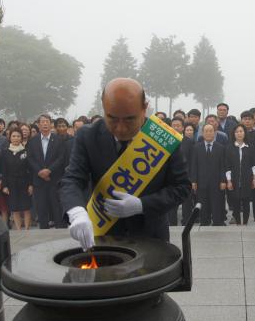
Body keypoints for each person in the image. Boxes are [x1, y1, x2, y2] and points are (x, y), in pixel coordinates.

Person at [59, 78, 190, 249]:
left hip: (151, 238)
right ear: (103, 107)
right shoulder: (88, 136)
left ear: (144, 108)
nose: (120, 128)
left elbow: (182, 188)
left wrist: (142, 205)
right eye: (112, 118)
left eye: (129, 119)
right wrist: (76, 212)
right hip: (104, 238)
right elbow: (72, 179)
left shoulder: (164, 139)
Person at [27, 114, 66, 229]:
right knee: (41, 207)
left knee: (56, 206)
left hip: (54, 178)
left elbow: (61, 158)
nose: (44, 123)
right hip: (38, 180)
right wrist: (40, 171)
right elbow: (30, 158)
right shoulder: (32, 141)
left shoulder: (58, 139)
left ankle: (60, 227)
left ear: (51, 124)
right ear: (38, 125)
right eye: (42, 122)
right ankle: (43, 229)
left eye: (47, 121)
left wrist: (49, 170)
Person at [191, 124, 226, 226]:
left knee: (216, 204)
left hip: (217, 182)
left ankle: (217, 222)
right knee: (203, 204)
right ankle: (204, 223)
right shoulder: (196, 147)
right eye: (206, 131)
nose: (208, 133)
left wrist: (223, 180)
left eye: (211, 131)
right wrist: (193, 181)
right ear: (202, 133)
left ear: (214, 133)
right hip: (201, 182)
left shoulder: (220, 148)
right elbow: (194, 165)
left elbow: (223, 166)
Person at [225, 124, 255, 225]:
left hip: (247, 179)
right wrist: (229, 181)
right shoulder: (229, 148)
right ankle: (238, 222)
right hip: (234, 179)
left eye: (241, 131)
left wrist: (254, 178)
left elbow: (253, 165)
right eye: (237, 132)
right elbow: (227, 166)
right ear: (234, 134)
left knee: (246, 202)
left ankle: (245, 223)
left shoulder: (250, 147)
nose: (239, 133)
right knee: (236, 202)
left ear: (244, 133)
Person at [2, 129, 33, 230]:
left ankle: (27, 229)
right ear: (10, 138)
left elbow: (30, 169)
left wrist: (30, 184)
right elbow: (4, 171)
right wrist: (4, 186)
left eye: (18, 136)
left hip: (24, 182)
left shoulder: (26, 151)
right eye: (14, 136)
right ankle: (19, 230)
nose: (16, 138)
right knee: (14, 208)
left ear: (21, 138)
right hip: (11, 183)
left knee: (26, 207)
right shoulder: (5, 152)